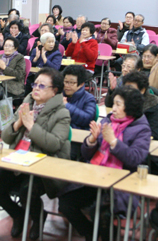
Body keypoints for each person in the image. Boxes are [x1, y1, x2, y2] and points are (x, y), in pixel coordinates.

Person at [0, 68, 70, 240]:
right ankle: (18, 214)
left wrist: (31, 126)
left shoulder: (62, 113)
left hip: (43, 166)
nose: (36, 88)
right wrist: (18, 124)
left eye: (42, 86)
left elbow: (54, 144)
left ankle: (38, 218)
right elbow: (6, 136)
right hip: (18, 160)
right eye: (35, 84)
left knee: (26, 191)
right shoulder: (27, 104)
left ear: (54, 91)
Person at [59, 86, 150, 241]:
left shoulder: (142, 129)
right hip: (95, 177)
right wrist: (91, 140)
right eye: (113, 103)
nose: (113, 108)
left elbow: (135, 159)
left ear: (131, 107)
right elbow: (86, 154)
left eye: (118, 105)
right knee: (66, 203)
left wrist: (114, 142)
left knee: (101, 213)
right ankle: (89, 233)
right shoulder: (108, 120)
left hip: (122, 184)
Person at [63, 65, 98, 160]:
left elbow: (87, 118)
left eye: (71, 83)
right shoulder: (59, 94)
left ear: (81, 84)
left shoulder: (88, 98)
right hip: (59, 135)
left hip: (76, 139)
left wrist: (67, 106)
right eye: (65, 82)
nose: (67, 85)